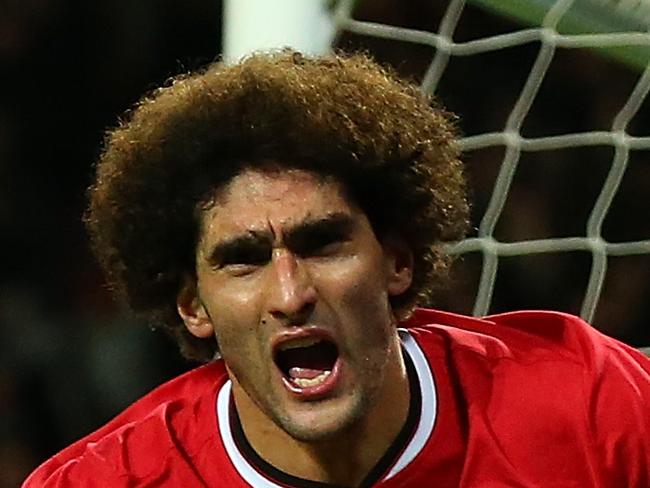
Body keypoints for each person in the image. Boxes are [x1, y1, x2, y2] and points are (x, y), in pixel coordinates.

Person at [24, 50, 649, 487]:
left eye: (323, 245)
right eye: (243, 261)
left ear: (397, 262)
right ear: (193, 305)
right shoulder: (103, 480)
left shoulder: (592, 406)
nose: (291, 293)